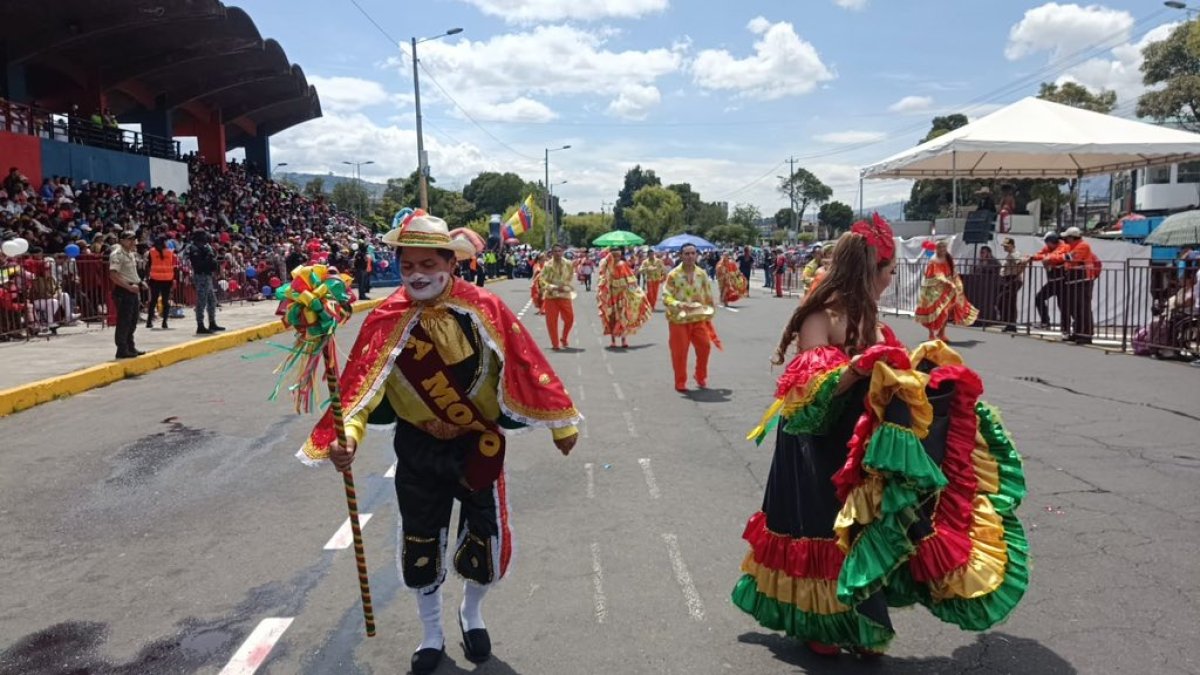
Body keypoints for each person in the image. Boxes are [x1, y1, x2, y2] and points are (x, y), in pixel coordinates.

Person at [734, 213, 1027, 657]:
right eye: (889, 271)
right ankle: (823, 623)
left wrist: (923, 374)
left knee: (864, 528)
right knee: (823, 526)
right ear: (871, 270)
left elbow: (890, 374)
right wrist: (857, 368)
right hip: (817, 443)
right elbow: (808, 386)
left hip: (860, 441)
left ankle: (863, 619)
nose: (891, 280)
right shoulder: (821, 313)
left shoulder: (871, 316)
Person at [307, 210, 581, 675]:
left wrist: (560, 422)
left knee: (484, 541)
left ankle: (471, 614)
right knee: (421, 543)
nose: (417, 274)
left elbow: (525, 361)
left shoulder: (484, 307)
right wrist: (347, 437)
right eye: (407, 266)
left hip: (477, 444)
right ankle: (430, 633)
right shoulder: (385, 318)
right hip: (418, 449)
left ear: (451, 264)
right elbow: (358, 392)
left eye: (428, 264)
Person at [663, 243, 720, 392]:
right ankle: (680, 381)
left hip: (697, 318)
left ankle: (700, 375)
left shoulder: (702, 274)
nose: (690, 256)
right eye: (687, 254)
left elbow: (708, 295)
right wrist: (678, 304)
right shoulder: (673, 275)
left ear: (696, 255)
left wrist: (709, 311)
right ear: (681, 255)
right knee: (680, 353)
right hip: (679, 320)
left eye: (693, 253)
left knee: (705, 347)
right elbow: (666, 296)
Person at [914, 240, 977, 342]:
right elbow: (936, 274)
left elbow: (953, 271)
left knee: (946, 311)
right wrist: (946, 281)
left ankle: (941, 333)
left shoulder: (948, 258)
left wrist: (956, 282)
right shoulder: (933, 260)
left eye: (944, 247)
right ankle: (931, 334)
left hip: (947, 289)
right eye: (940, 247)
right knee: (933, 312)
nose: (942, 249)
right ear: (936, 249)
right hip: (934, 290)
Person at [1051, 226, 1098, 344]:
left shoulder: (1083, 246)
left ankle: (1086, 334)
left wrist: (1053, 258)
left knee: (1083, 308)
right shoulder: (1071, 246)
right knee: (1074, 308)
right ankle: (1077, 332)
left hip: (1083, 281)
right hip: (1074, 280)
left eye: (1067, 238)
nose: (1065, 240)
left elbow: (1069, 257)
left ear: (1072, 238)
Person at [596, 247, 651, 348]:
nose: (616, 257)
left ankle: (623, 339)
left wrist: (636, 288)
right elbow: (602, 279)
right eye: (614, 256)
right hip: (611, 296)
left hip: (622, 295)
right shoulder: (607, 266)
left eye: (618, 255)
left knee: (623, 317)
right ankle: (613, 340)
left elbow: (630, 278)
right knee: (612, 317)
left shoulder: (623, 264)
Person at [109, 230, 145, 358]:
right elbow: (113, 275)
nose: (132, 242)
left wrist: (140, 282)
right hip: (124, 290)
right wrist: (129, 287)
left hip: (133, 289)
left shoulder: (130, 253)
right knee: (124, 321)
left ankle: (130, 346)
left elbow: (131, 273)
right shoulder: (117, 254)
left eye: (133, 239)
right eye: (129, 239)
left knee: (133, 320)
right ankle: (122, 349)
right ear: (122, 240)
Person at [186, 231, 226, 335]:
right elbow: (198, 265)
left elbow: (211, 260)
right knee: (201, 301)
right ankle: (200, 325)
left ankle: (212, 323)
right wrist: (208, 257)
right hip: (201, 276)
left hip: (207, 276)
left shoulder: (205, 247)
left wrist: (211, 258)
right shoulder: (194, 248)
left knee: (212, 301)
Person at [539, 243, 576, 350]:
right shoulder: (547, 265)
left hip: (564, 295)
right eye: (555, 251)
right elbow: (542, 280)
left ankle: (564, 338)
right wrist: (553, 287)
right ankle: (555, 344)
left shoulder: (568, 264)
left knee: (570, 319)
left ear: (562, 252)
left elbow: (570, 276)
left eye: (559, 251)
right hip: (551, 296)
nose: (558, 253)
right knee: (551, 322)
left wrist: (565, 286)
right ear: (552, 253)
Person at [1030, 232, 1068, 332]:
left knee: (1063, 305)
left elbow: (1054, 256)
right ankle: (1045, 322)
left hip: (1062, 282)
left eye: (1047, 243)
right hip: (1052, 281)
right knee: (1039, 298)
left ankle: (1065, 327)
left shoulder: (1063, 246)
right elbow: (1040, 254)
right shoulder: (1049, 248)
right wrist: (1031, 257)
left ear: (1052, 241)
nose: (1046, 245)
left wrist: (1046, 258)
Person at [146, 236, 176, 329]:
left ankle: (149, 321)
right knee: (165, 301)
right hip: (167, 279)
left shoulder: (151, 252)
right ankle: (164, 322)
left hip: (155, 279)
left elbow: (149, 264)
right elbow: (173, 265)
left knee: (153, 300)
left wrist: (147, 277)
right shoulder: (170, 252)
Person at [998, 237, 1026, 333]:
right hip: (1009, 279)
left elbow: (1022, 263)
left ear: (1012, 246)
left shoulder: (1015, 254)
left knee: (1009, 301)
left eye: (1007, 246)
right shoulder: (1010, 254)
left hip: (1013, 279)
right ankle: (1010, 323)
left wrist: (1017, 274)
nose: (1005, 247)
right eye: (1004, 246)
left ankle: (1011, 324)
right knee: (1007, 301)